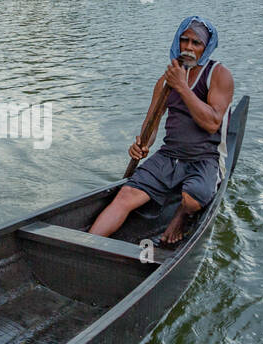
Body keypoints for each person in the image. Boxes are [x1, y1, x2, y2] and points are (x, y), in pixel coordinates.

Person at [89, 15, 233, 244]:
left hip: (205, 157)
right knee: (125, 195)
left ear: (206, 47)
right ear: (177, 41)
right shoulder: (165, 82)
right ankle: (86, 244)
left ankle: (181, 216)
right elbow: (151, 126)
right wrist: (141, 145)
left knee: (192, 199)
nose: (188, 47)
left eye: (196, 43)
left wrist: (182, 87)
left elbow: (212, 123)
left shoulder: (218, 75)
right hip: (170, 155)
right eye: (184, 40)